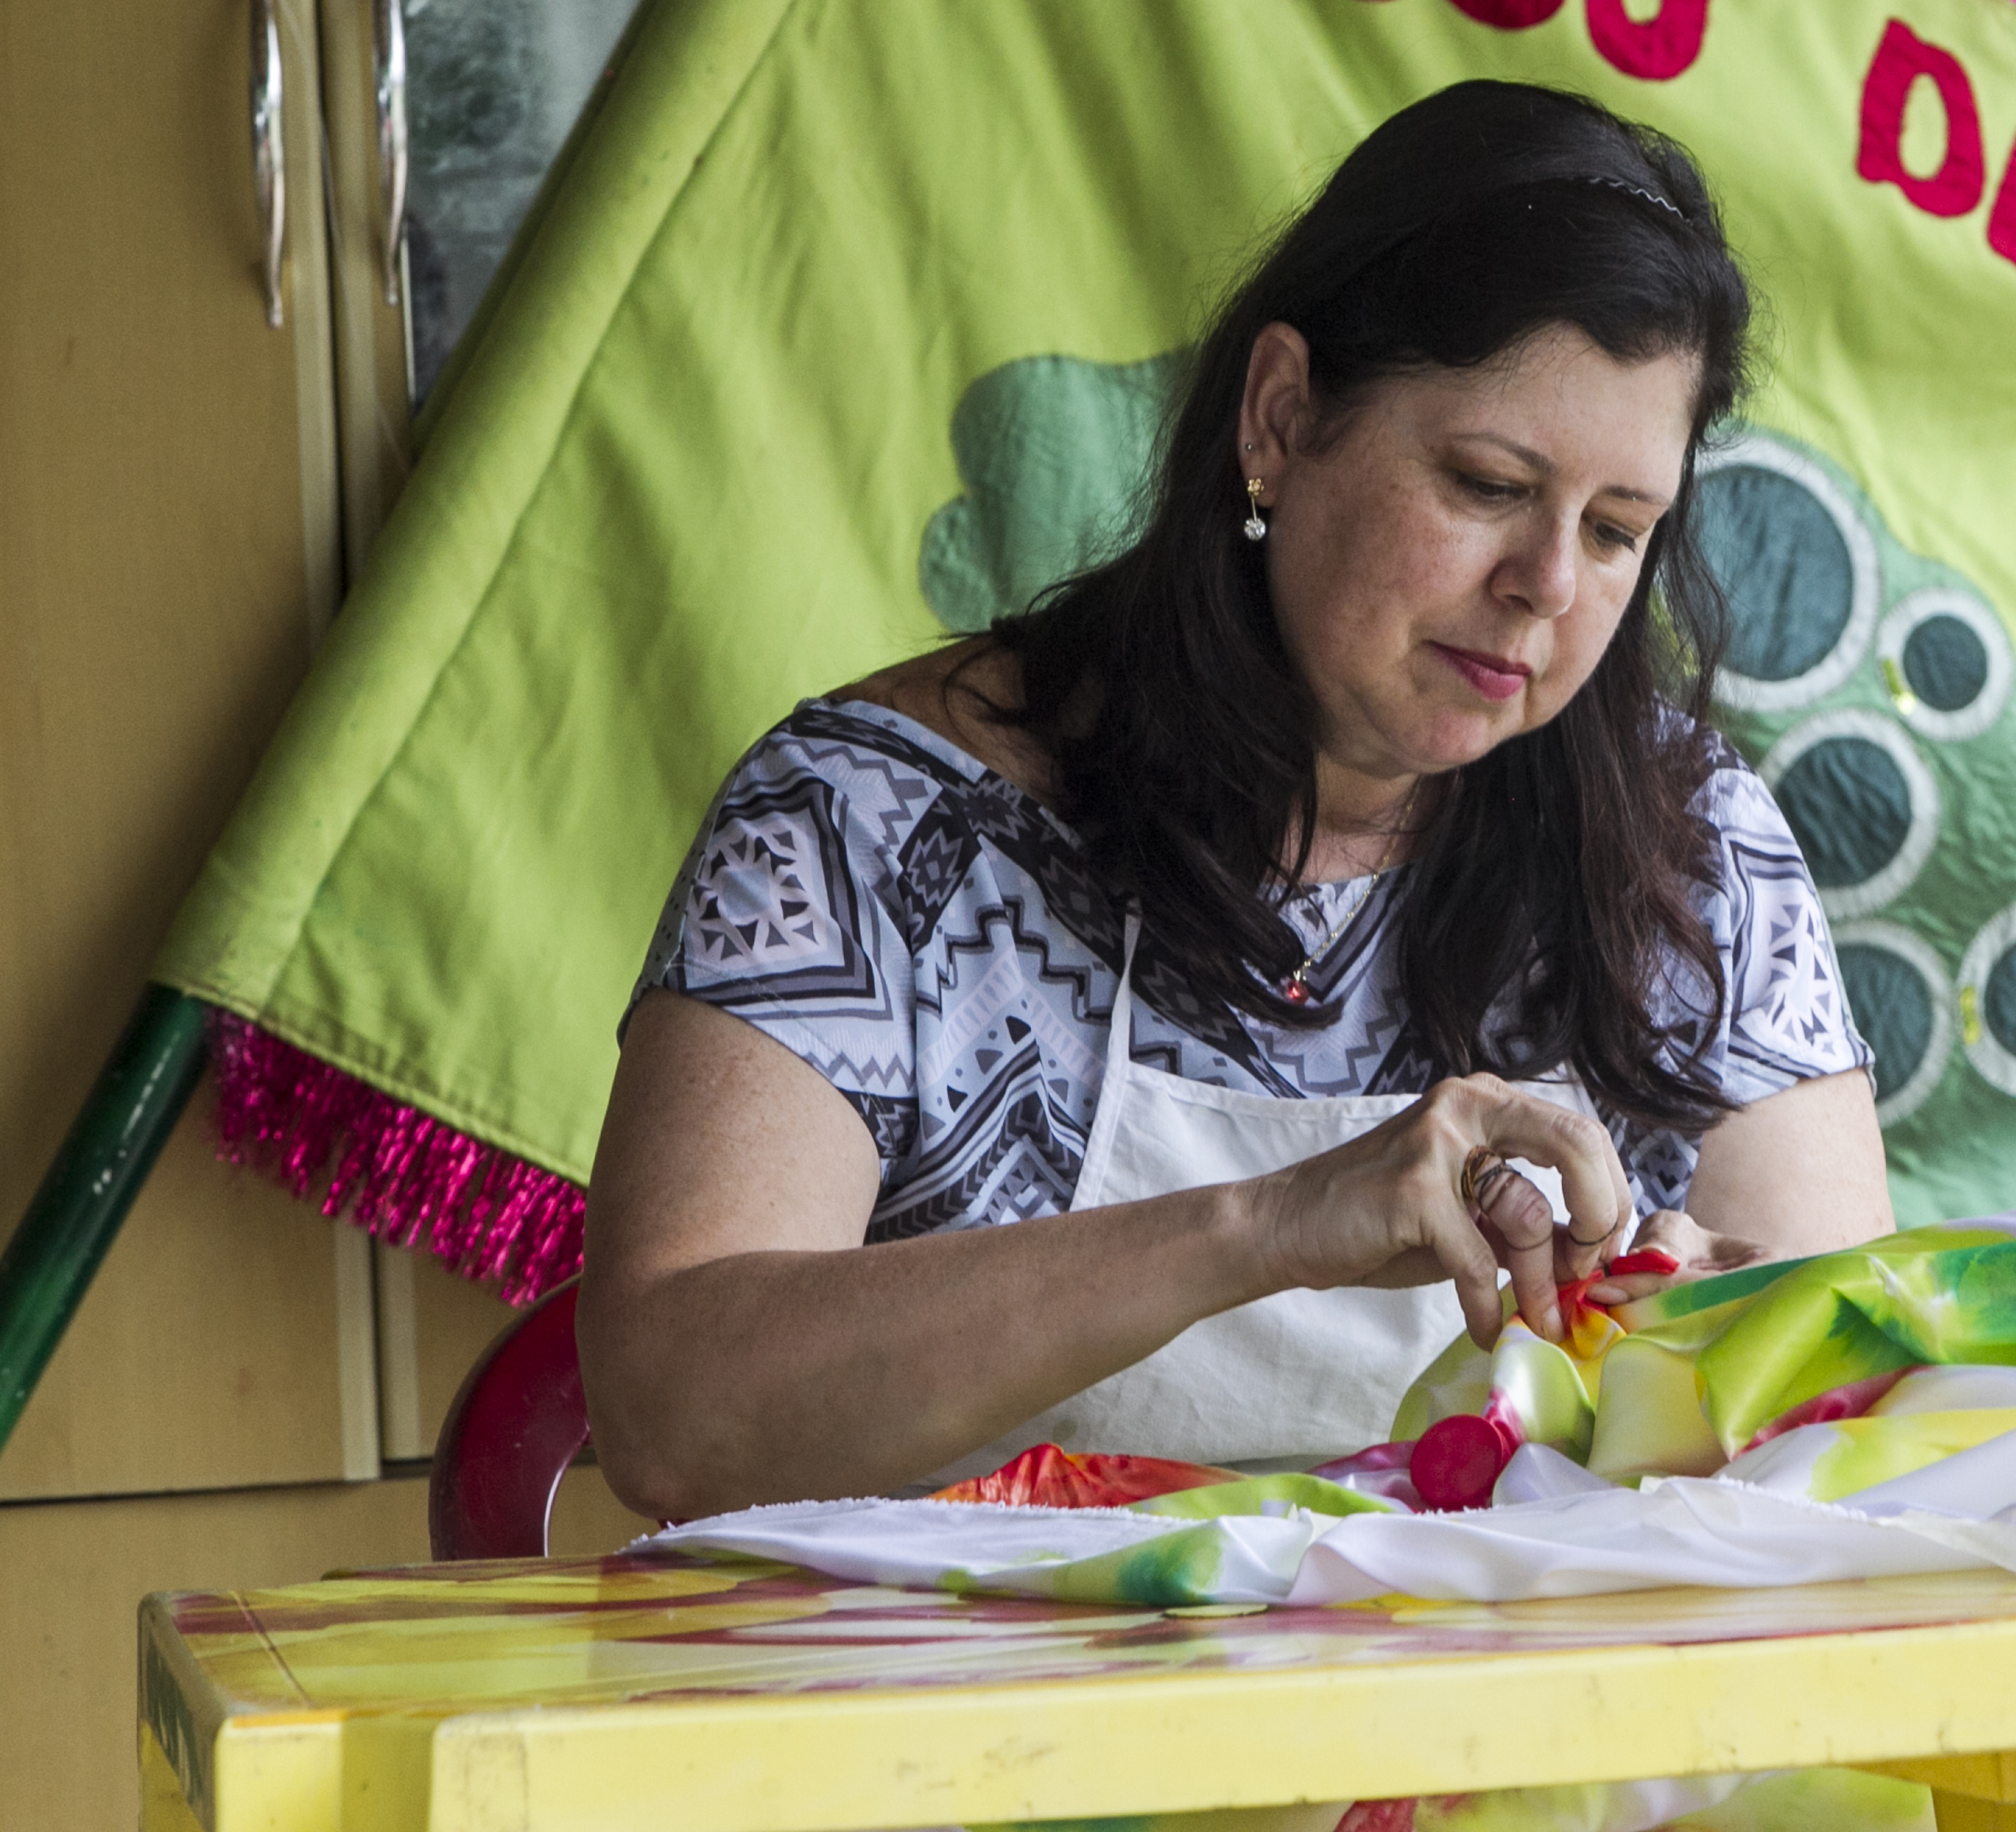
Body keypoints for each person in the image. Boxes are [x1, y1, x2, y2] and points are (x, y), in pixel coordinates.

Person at [581, 83, 1894, 1521]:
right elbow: (673, 1417)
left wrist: (1715, 1349)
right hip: (979, 1725)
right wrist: (1265, 1227)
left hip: (1528, 1726)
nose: (1548, 586)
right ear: (1281, 418)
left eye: (1617, 531)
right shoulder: (871, 826)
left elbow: (1846, 1429)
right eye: (1485, 483)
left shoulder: (1690, 853)